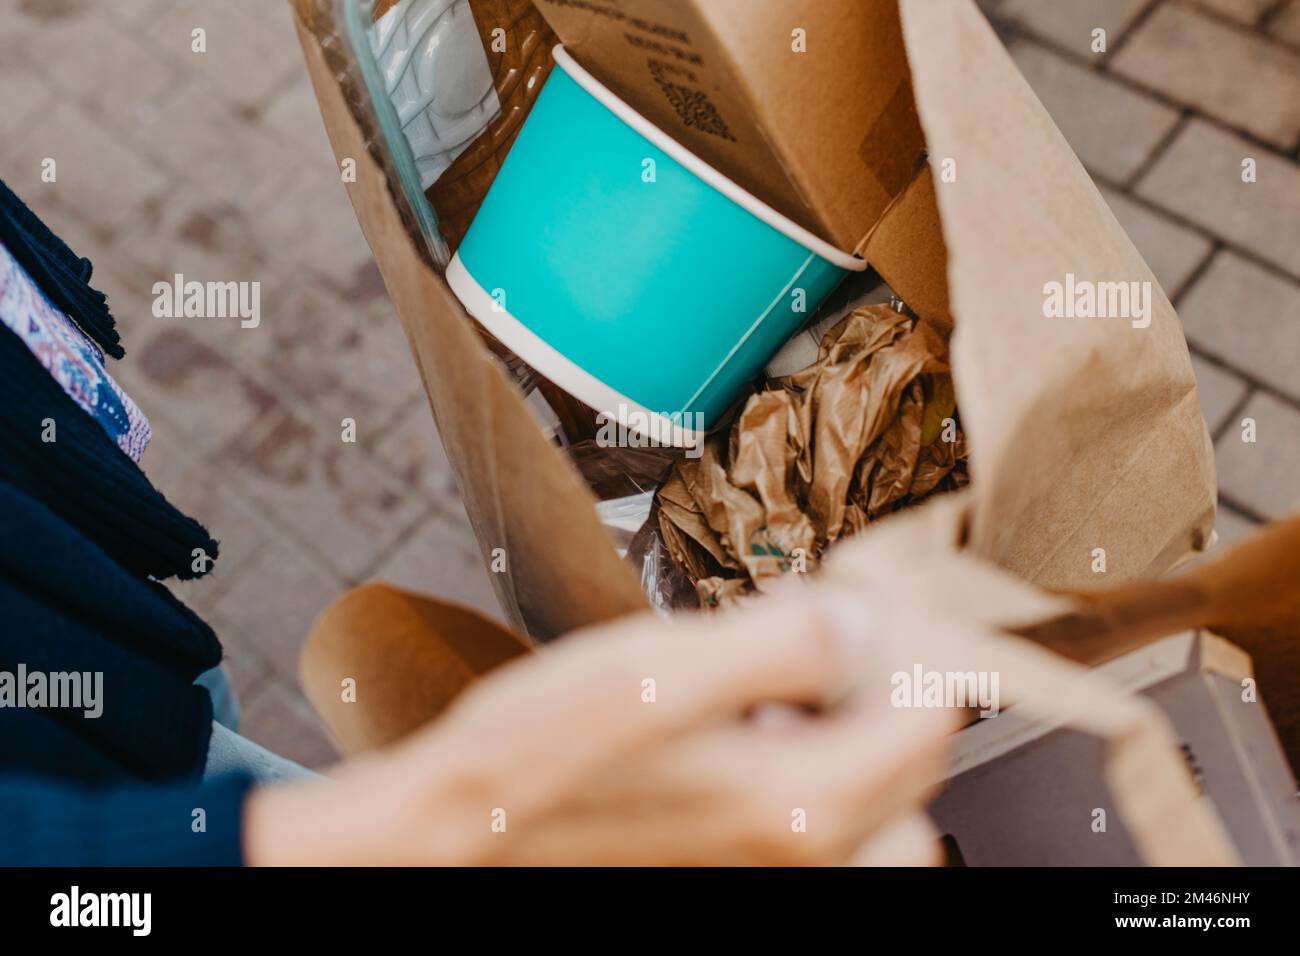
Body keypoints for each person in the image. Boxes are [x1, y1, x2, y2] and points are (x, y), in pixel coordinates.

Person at [0, 179, 953, 866]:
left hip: (70, 593)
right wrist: (460, 808)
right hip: (89, 769)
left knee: (180, 695)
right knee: (183, 749)